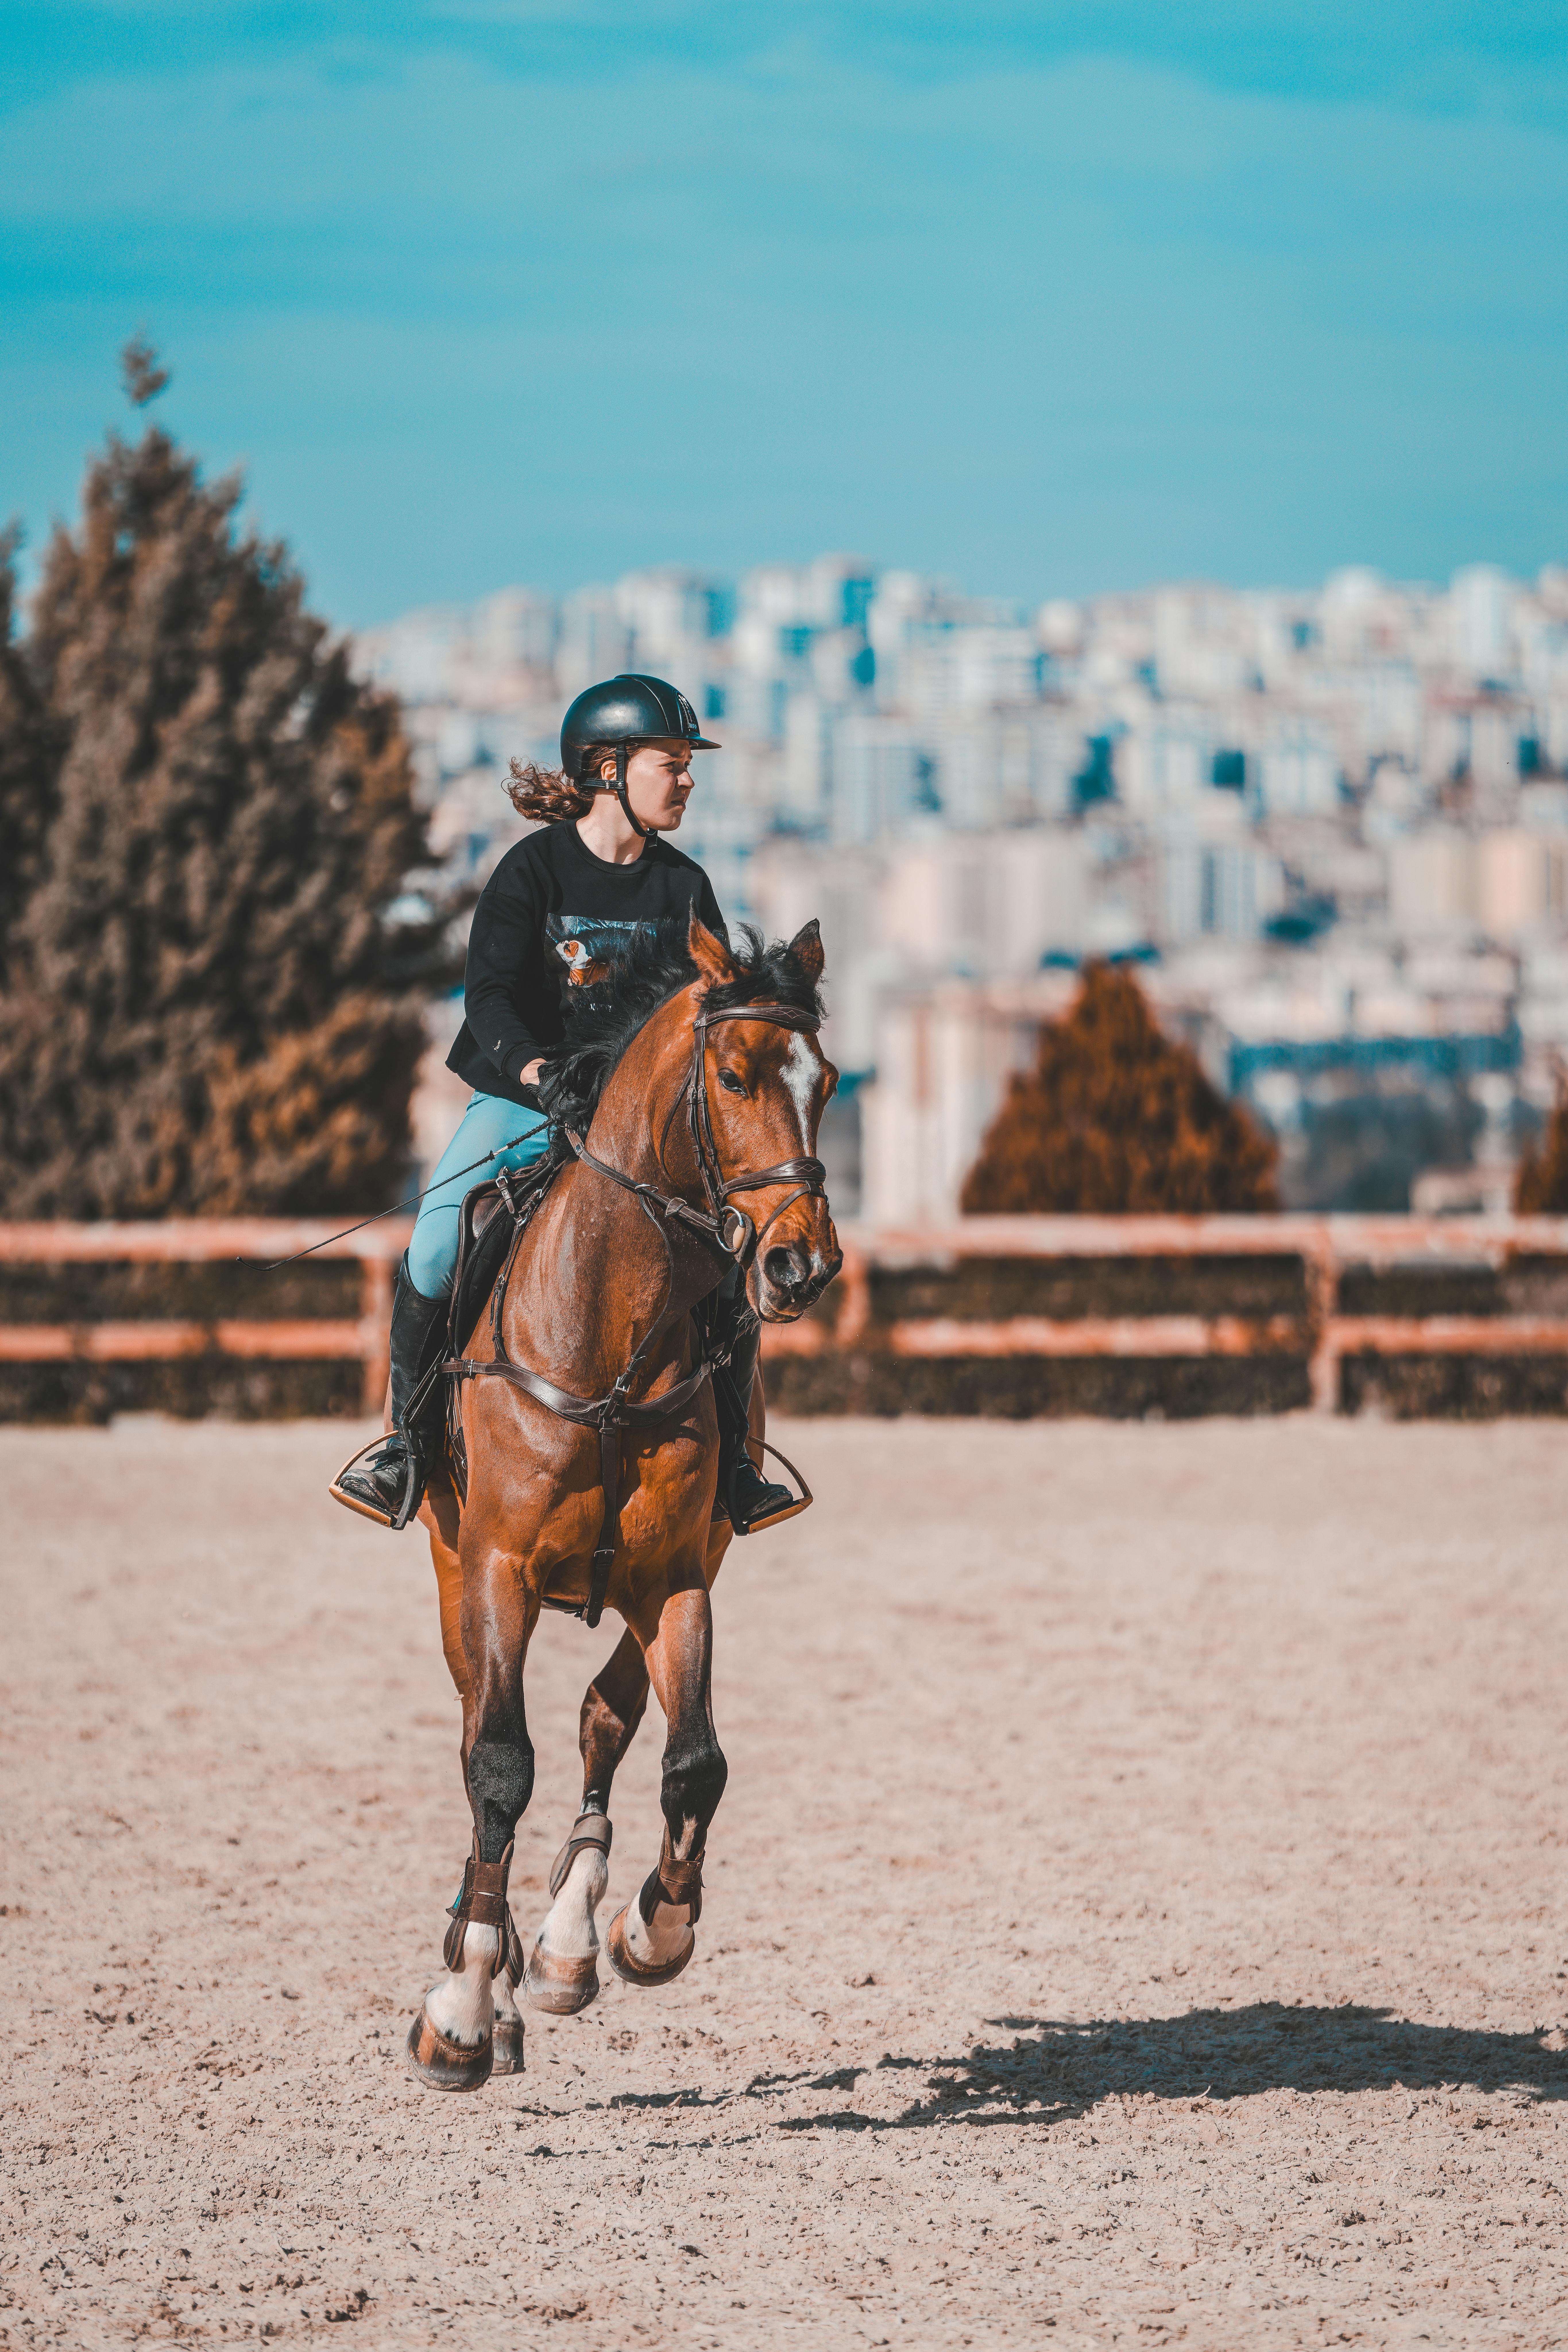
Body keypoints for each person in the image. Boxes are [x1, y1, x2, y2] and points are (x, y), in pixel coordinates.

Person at [331, 673, 799, 1538]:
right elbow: (489, 994)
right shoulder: (532, 870)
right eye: (674, 762)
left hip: (648, 1134)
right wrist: (539, 1071)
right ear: (610, 769)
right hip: (528, 1101)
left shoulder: (684, 886)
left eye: (688, 764)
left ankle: (735, 1465)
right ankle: (408, 1445)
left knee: (727, 1271)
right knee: (437, 1241)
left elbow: (716, 1012)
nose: (688, 779)